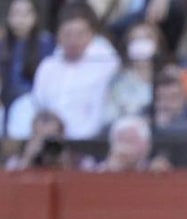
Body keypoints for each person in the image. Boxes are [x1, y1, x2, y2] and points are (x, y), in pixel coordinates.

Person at [30, 1, 121, 139]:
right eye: (67, 34)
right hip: (49, 141)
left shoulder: (107, 64)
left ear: (92, 34)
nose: (73, 40)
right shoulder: (48, 66)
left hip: (92, 142)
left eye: (80, 34)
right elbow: (38, 105)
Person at [0, 0, 55, 111]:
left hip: (34, 103)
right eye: (16, 13)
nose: (20, 19)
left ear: (35, 17)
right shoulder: (1, 45)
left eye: (25, 14)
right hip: (6, 102)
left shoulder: (46, 43)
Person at [102, 20, 164, 124]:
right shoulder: (117, 82)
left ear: (158, 44)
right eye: (135, 39)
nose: (141, 44)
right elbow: (109, 117)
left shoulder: (168, 77)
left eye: (147, 38)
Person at [92, 113, 170, 171]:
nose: (124, 147)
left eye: (130, 141)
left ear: (146, 146)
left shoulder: (154, 169)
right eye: (120, 140)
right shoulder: (98, 170)